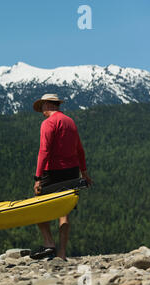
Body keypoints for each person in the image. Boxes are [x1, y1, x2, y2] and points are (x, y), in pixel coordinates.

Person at [30, 94, 93, 261]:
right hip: (72, 172)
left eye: (42, 106)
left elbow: (44, 151)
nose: (42, 110)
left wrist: (37, 177)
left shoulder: (48, 123)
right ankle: (62, 253)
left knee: (37, 206)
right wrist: (84, 173)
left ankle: (49, 243)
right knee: (63, 212)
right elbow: (80, 149)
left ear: (48, 105)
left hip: (52, 172)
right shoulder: (70, 122)